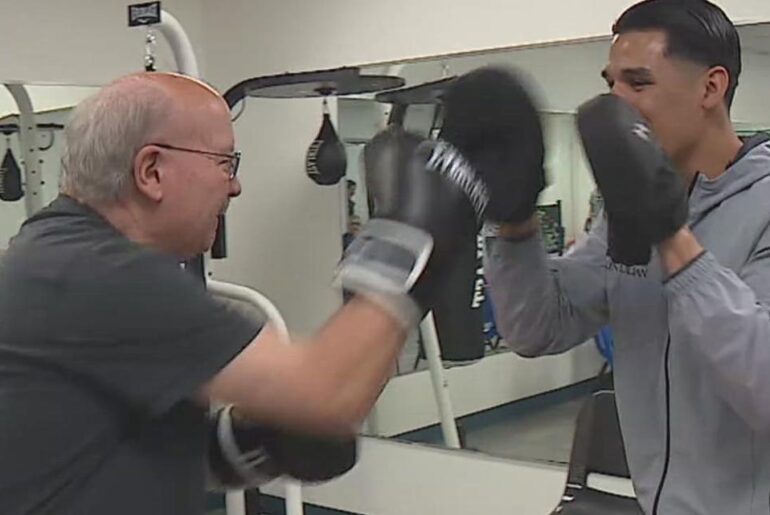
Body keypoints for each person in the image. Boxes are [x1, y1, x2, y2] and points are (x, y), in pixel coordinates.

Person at [0, 72, 486, 515]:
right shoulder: (100, 274)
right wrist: (420, 229)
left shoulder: (56, 254)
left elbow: (77, 446)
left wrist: (234, 447)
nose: (234, 186)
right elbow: (328, 393)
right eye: (225, 162)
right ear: (151, 171)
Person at [475, 1, 770, 513]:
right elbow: (539, 327)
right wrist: (514, 221)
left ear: (710, 87)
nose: (617, 102)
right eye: (611, 83)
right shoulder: (623, 213)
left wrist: (672, 238)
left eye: (639, 83)